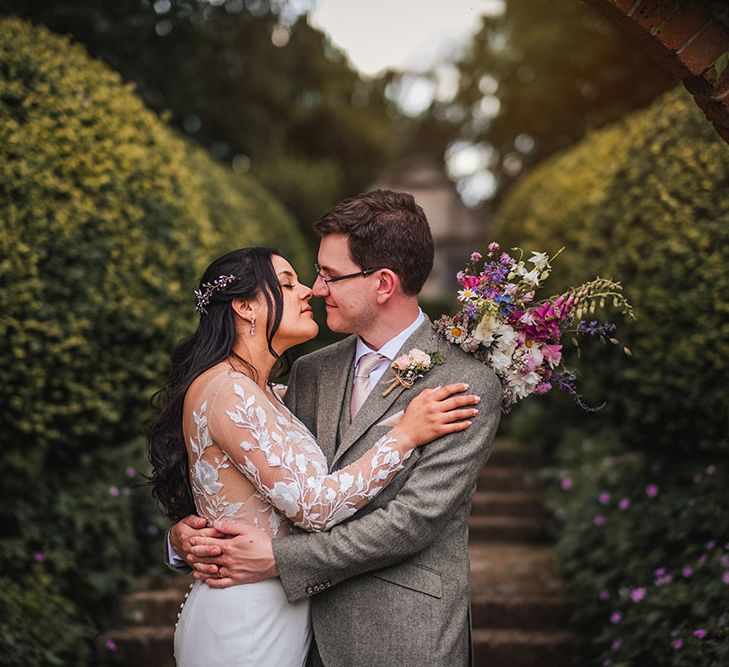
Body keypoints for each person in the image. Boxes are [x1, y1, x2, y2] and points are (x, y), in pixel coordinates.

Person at [170, 190, 503, 666]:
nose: (316, 288)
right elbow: (263, 483)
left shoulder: (465, 382)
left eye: (329, 275)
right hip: (293, 631)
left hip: (400, 637)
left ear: (383, 283)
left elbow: (411, 523)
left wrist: (281, 561)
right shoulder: (310, 371)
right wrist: (189, 537)